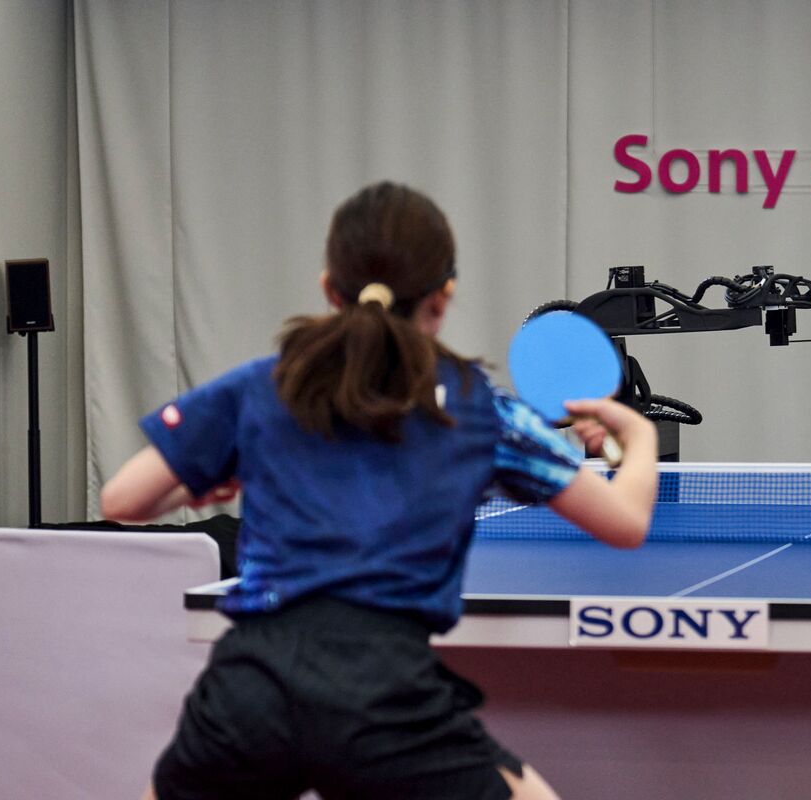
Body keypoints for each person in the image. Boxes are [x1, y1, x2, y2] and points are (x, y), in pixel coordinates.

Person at [100, 180, 659, 800]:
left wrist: (197, 489)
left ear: (328, 289)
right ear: (443, 298)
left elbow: (122, 501)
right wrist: (638, 440)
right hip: (385, 702)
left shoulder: (263, 386)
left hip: (251, 689)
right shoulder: (478, 410)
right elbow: (625, 521)